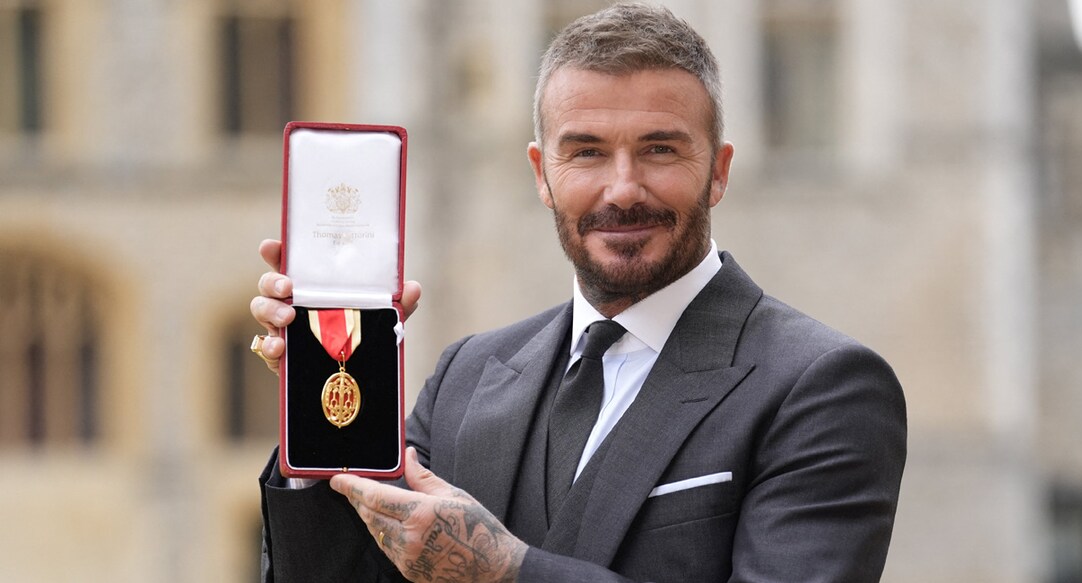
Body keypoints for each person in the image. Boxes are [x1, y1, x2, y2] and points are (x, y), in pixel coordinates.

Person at [249, 4, 906, 582]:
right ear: (542, 172)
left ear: (717, 171)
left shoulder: (822, 385)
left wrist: (507, 571)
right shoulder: (466, 375)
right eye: (587, 152)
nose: (622, 189)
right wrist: (319, 401)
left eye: (658, 150)